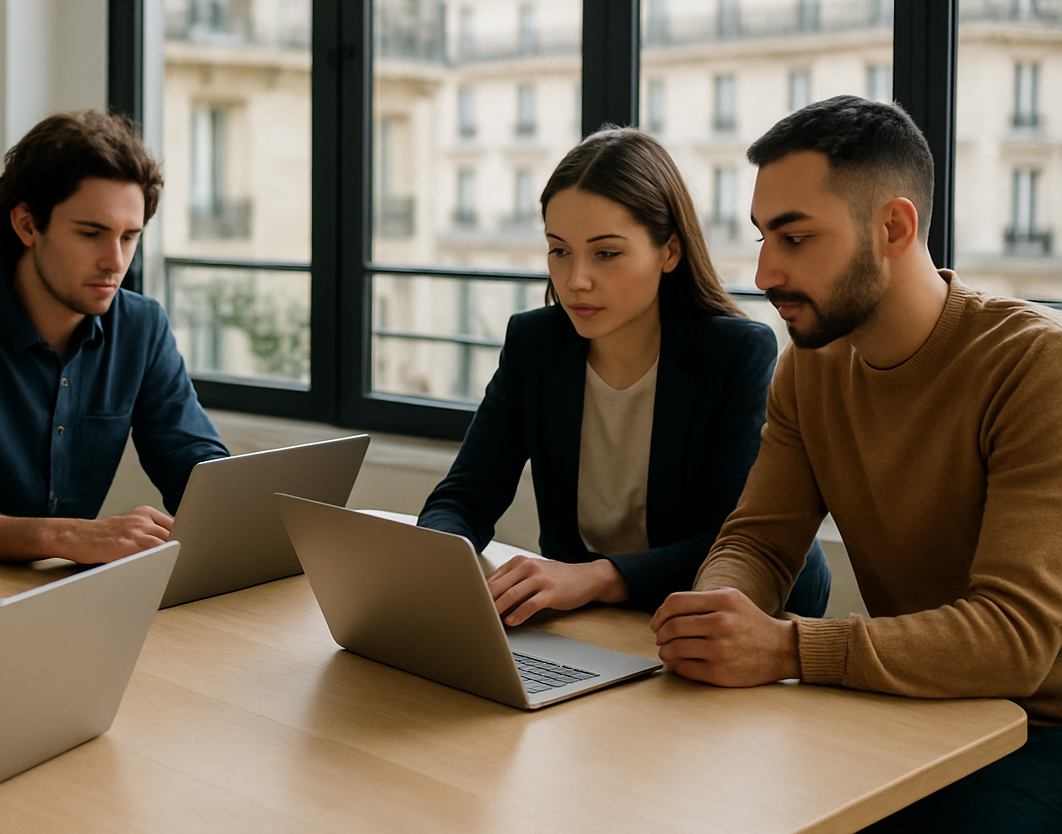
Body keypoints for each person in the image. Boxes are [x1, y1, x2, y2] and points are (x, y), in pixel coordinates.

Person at [650, 95, 1062, 831]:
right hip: (916, 711)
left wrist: (785, 646)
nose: (765, 270)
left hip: (1041, 728)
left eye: (795, 238)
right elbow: (756, 541)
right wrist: (719, 618)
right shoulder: (808, 369)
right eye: (762, 237)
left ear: (894, 228)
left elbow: (1013, 640)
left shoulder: (1035, 367)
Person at [418, 127, 831, 619]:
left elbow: (735, 544)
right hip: (598, 617)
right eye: (559, 250)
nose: (576, 280)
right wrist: (434, 564)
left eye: (606, 253)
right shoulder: (535, 345)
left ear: (670, 252)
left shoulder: (734, 352)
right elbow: (465, 496)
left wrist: (595, 577)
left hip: (746, 614)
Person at [0, 109, 227, 565]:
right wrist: (69, 537)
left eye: (130, 237)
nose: (115, 261)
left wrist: (254, 512)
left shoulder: (142, 326)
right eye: (91, 234)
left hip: (60, 592)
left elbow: (191, 460)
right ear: (26, 225)